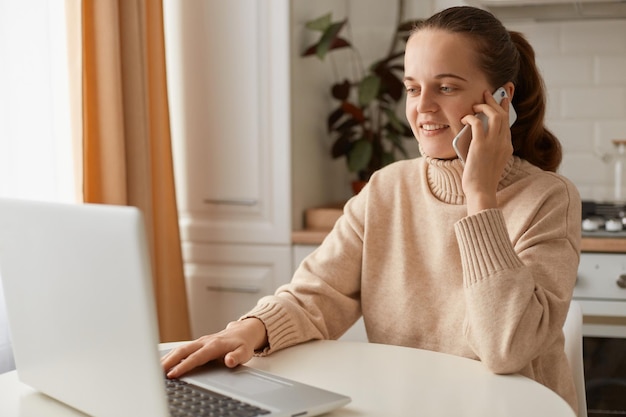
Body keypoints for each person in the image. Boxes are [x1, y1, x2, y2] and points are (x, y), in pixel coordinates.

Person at [162, 5, 581, 413]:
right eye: (413, 88)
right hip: (407, 404)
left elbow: (505, 348)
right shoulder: (387, 187)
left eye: (447, 87)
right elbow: (317, 293)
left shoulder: (549, 198)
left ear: (501, 99)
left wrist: (479, 195)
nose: (423, 108)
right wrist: (247, 331)